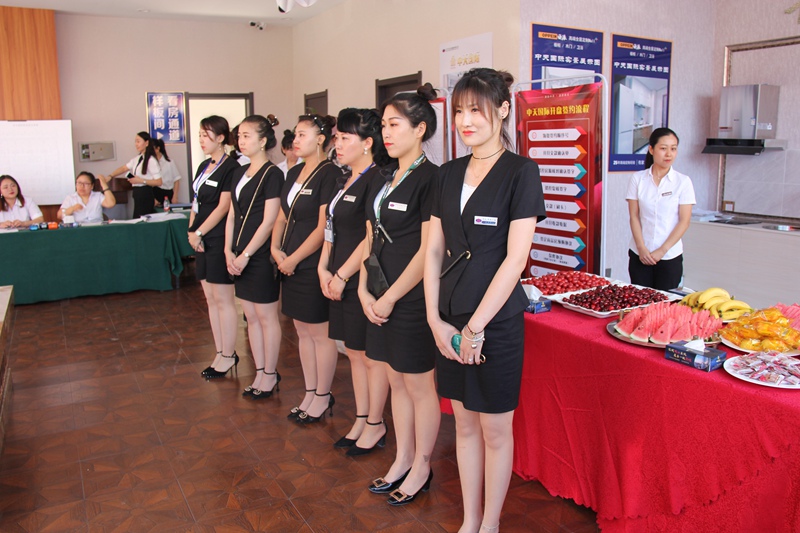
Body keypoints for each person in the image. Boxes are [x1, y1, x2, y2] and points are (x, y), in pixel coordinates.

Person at [424, 68, 546, 533]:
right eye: (459, 111)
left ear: (504, 110)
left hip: (494, 322)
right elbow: (433, 250)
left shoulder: (521, 172)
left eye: (476, 109)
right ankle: (469, 520)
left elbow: (516, 260)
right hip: (449, 317)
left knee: (495, 429)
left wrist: (474, 329)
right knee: (463, 424)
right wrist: (435, 320)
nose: (465, 120)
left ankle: (490, 524)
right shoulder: (448, 173)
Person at [358, 85, 440, 505]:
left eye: (394, 124)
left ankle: (422, 464)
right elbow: (370, 236)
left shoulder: (431, 178)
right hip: (377, 294)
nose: (386, 133)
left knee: (419, 385)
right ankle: (402, 456)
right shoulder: (384, 176)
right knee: (394, 379)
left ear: (420, 128)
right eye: (384, 125)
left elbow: (428, 250)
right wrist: (363, 287)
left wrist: (390, 297)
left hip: (409, 299)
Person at [318, 108, 390, 453]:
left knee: (369, 356)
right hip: (336, 277)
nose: (338, 144)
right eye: (337, 137)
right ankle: (362, 418)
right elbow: (330, 228)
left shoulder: (376, 179)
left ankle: (375, 423)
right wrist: (323, 268)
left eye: (345, 138)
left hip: (360, 279)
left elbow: (368, 237)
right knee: (353, 353)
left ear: (367, 143)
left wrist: (342, 274)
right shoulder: (342, 178)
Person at [271, 114, 341, 423]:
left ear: (321, 139)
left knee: (319, 333)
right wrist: (275, 249)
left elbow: (322, 227)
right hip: (287, 261)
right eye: (295, 135)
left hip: (311, 263)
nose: (295, 140)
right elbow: (282, 216)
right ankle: (310, 392)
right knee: (301, 331)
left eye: (302, 135)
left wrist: (294, 259)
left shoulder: (330, 173)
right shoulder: (293, 171)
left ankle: (323, 395)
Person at [211, 115, 284, 400]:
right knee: (251, 317)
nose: (240, 141)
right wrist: (228, 250)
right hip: (238, 253)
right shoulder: (239, 172)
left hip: (260, 255)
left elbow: (269, 221)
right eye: (239, 136)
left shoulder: (272, 174)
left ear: (263, 140)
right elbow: (232, 214)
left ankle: (270, 373)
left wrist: (246, 254)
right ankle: (260, 371)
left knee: (266, 317)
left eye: (246, 136)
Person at [187, 115, 241, 379]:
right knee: (210, 298)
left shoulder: (231, 167)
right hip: (201, 238)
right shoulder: (203, 166)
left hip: (218, 236)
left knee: (223, 299)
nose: (201, 140)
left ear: (221, 138)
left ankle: (229, 354)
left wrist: (199, 231)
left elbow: (223, 207)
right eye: (199, 134)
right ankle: (219, 351)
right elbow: (196, 203)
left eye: (206, 135)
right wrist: (191, 231)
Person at [627, 127, 695, 290]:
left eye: (673, 149)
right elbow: (634, 216)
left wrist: (662, 251)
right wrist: (641, 248)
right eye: (663, 148)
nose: (669, 154)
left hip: (669, 256)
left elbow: (684, 221)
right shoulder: (638, 179)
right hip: (640, 255)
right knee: (638, 301)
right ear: (651, 149)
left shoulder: (683, 182)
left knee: (666, 302)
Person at [106, 131, 163, 218]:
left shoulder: (151, 160)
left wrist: (141, 181)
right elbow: (124, 168)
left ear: (146, 143)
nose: (136, 144)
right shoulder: (137, 158)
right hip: (137, 193)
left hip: (145, 193)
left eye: (138, 141)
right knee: (137, 218)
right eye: (135, 141)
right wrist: (111, 176)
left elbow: (159, 182)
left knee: (142, 220)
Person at [152, 138, 182, 205]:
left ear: (157, 149)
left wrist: (175, 196)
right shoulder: (150, 163)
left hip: (168, 192)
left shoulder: (169, 162)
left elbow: (176, 180)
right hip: (155, 191)